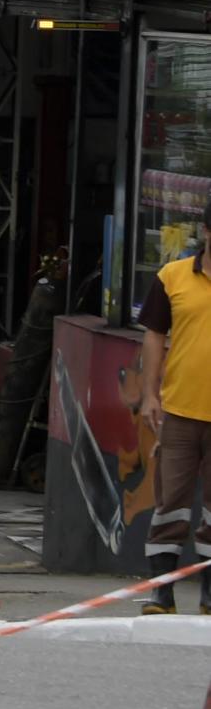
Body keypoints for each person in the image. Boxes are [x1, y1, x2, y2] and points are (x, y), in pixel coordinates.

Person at [139, 194, 211, 615]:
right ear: (205, 232)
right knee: (172, 504)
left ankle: (208, 593)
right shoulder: (172, 276)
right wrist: (150, 394)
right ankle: (161, 592)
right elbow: (153, 335)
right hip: (180, 411)